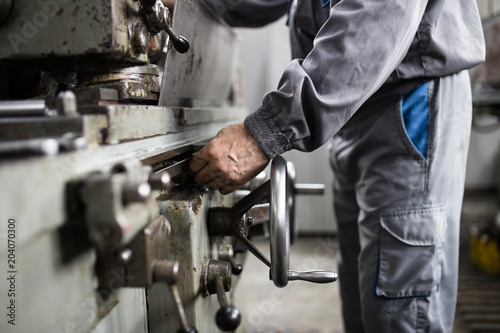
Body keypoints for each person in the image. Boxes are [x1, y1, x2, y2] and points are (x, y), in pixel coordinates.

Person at [189, 0, 486, 331]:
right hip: (352, 101)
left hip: (407, 97)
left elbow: (381, 12)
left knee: (399, 302)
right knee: (364, 287)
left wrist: (265, 133)